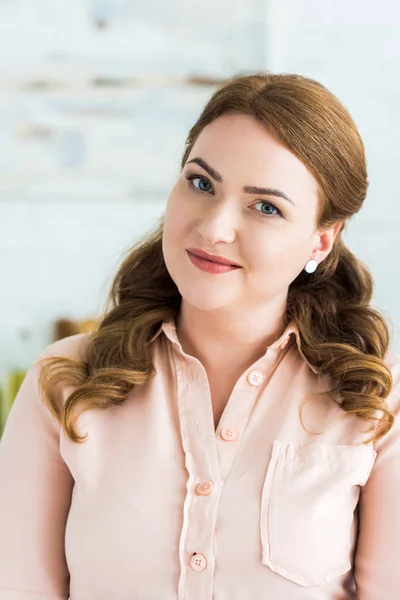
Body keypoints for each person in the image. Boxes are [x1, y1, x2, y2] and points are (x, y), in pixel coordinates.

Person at [0, 72, 399, 600]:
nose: (213, 228)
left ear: (321, 241)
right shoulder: (64, 383)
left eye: (266, 207)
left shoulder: (376, 399)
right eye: (201, 183)